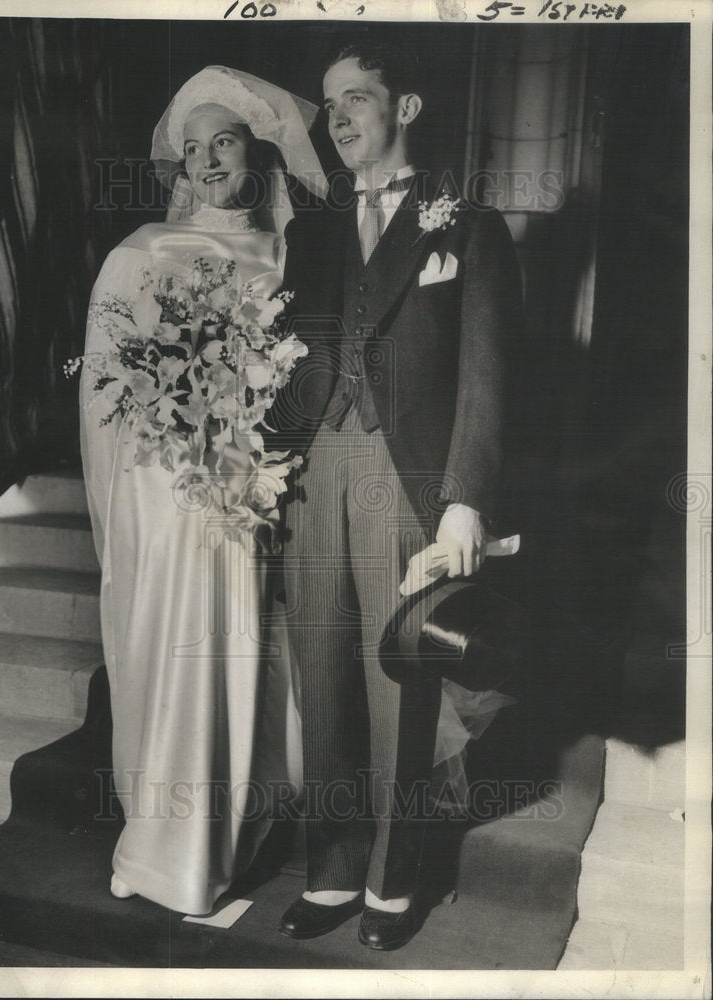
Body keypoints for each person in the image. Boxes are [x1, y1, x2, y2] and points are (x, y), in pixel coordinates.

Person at [275, 42, 524, 949]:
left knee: (399, 688)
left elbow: (490, 377)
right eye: (328, 103)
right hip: (308, 475)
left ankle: (391, 883)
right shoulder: (308, 232)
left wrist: (466, 501)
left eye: (358, 99)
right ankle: (333, 873)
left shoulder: (468, 226)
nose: (338, 117)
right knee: (323, 677)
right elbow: (283, 364)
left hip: (404, 476)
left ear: (406, 107)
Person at [79, 66, 327, 916]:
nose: (209, 160)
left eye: (224, 141)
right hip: (170, 497)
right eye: (195, 149)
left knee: (235, 656)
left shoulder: (292, 253)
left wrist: (250, 444)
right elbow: (107, 390)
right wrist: (170, 455)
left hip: (247, 492)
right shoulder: (141, 252)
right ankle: (160, 842)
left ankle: (212, 848)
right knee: (165, 657)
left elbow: (307, 374)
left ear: (256, 150)